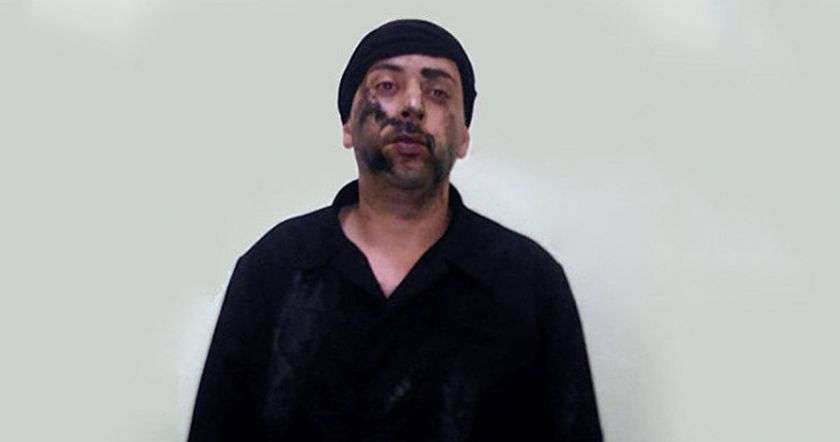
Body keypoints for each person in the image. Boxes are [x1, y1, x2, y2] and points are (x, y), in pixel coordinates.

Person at [188, 18, 603, 442]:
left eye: (438, 92)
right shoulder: (275, 269)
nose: (413, 105)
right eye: (387, 85)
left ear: (463, 136)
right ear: (348, 125)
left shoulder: (528, 283)